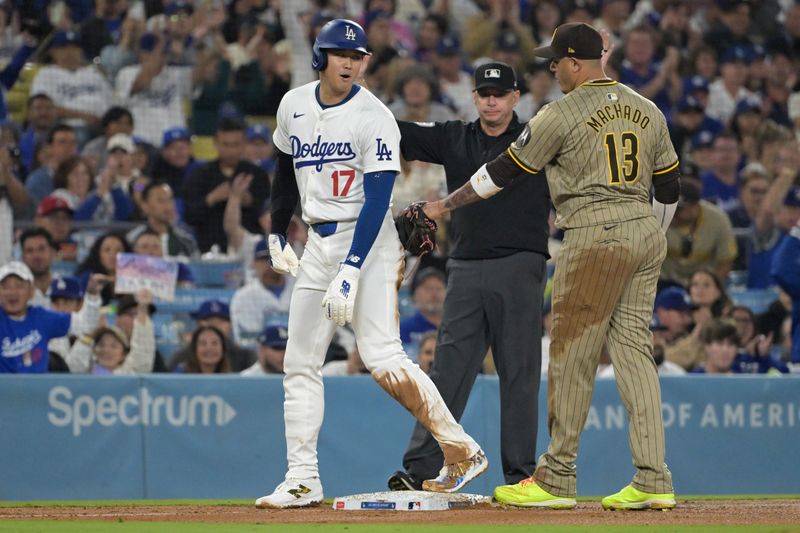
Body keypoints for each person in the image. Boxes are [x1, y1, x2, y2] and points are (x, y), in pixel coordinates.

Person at [417, 23, 680, 510]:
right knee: (634, 356)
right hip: (645, 231)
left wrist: (444, 206)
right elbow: (669, 187)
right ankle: (653, 477)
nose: (552, 68)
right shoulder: (648, 110)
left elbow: (502, 173)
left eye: (557, 61)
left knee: (572, 357)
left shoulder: (560, 114)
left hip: (593, 234)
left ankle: (557, 477)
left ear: (577, 62)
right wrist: (647, 236)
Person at [256, 18, 486, 509]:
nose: (351, 63)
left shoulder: (374, 114)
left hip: (371, 242)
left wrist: (351, 269)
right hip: (317, 242)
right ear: (321, 57)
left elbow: (379, 199)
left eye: (358, 56)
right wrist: (277, 229)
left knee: (381, 356)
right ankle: (302, 477)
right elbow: (280, 166)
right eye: (341, 54)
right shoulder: (293, 104)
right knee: (299, 361)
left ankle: (461, 449)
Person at [387, 60, 549, 493]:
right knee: (447, 371)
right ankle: (419, 469)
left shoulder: (537, 137)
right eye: (484, 93)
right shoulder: (454, 137)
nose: (492, 100)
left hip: (520, 264)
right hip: (465, 265)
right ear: (474, 98)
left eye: (500, 93)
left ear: (516, 98)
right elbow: (395, 130)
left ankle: (520, 477)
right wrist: (355, 96)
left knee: (520, 372)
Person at [0, 261, 109, 373]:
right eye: (5, 287)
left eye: (19, 286)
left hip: (39, 388)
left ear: (31, 291)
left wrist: (92, 295)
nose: (12, 292)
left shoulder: (41, 318)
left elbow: (85, 325)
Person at [181, 117, 271, 253]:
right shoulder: (199, 175)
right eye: (226, 145)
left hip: (250, 253)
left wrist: (249, 200)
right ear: (216, 143)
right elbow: (189, 216)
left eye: (236, 145)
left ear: (244, 144)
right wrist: (212, 198)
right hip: (209, 251)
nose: (231, 151)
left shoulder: (257, 175)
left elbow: (268, 219)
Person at [65, 289, 155, 375]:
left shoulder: (128, 374)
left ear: (123, 354)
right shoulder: (86, 372)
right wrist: (91, 334)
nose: (106, 350)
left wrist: (143, 309)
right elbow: (74, 366)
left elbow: (142, 354)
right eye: (101, 345)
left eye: (113, 346)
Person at [230, 238, 293, 346]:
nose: (270, 263)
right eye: (264, 259)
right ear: (254, 264)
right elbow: (245, 341)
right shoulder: (243, 297)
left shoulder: (301, 288)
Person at [167, 299, 256, 372]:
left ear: (231, 325)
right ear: (198, 324)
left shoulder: (245, 357)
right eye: (209, 321)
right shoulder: (182, 356)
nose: (214, 326)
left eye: (220, 322)